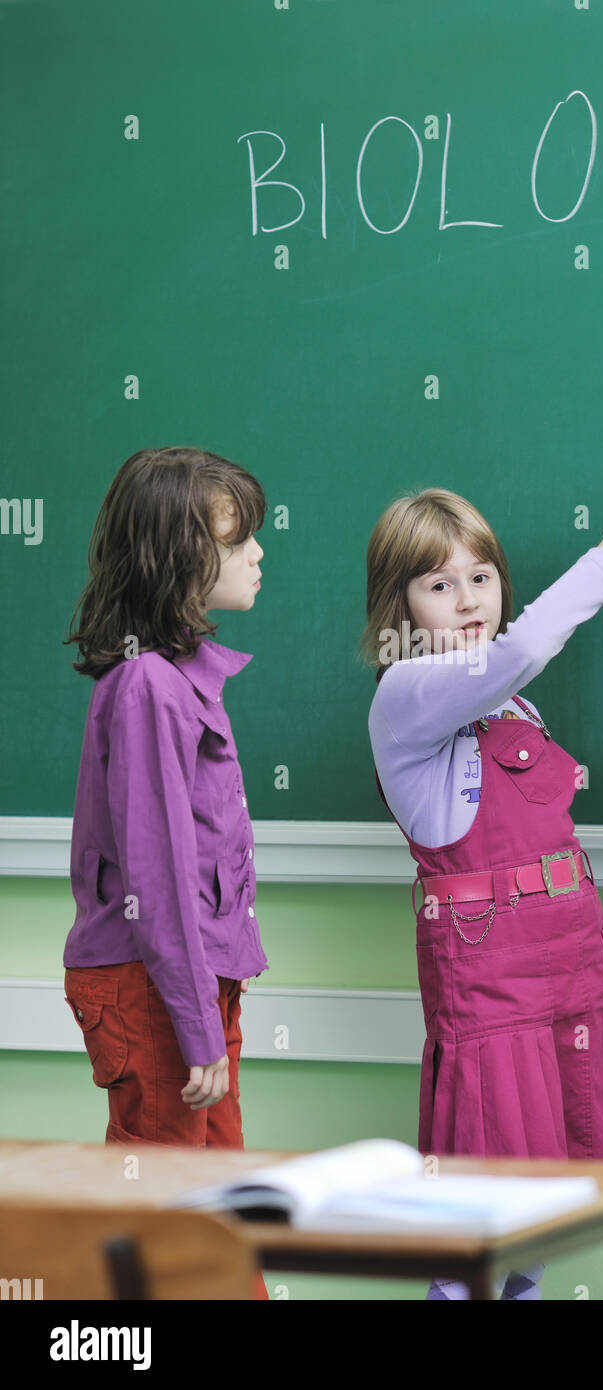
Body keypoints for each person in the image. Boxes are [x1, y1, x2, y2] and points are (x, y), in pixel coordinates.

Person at [361, 463, 603, 1301]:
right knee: (483, 1218)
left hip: (571, 975)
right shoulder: (406, 693)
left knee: (544, 1205)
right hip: (492, 993)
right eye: (438, 584)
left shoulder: (514, 710)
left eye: (482, 576)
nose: (468, 599)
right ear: (400, 609)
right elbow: (523, 649)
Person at [62, 446, 269, 1299]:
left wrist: (204, 1010)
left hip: (187, 982)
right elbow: (159, 878)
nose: (260, 553)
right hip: (154, 986)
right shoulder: (147, 684)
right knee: (162, 1221)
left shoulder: (179, 678)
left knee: (217, 1207)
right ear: (178, 560)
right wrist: (194, 1025)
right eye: (239, 539)